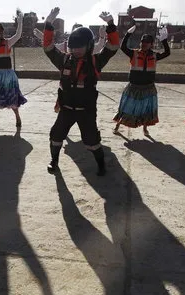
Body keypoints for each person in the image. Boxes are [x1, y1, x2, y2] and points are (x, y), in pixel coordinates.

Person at [42, 7, 120, 176]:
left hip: (86, 111)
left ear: (89, 46)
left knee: (92, 141)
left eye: (80, 47)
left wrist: (111, 25)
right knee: (56, 136)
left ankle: (101, 165)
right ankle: (54, 161)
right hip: (66, 109)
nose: (75, 50)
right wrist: (49, 23)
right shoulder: (64, 60)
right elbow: (48, 47)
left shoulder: (95, 62)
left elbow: (113, 46)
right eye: (73, 46)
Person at [113, 25, 170, 136]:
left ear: (151, 44)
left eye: (147, 43)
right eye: (142, 42)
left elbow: (167, 52)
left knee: (147, 109)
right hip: (133, 87)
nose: (144, 44)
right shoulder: (134, 53)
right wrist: (128, 34)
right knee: (126, 107)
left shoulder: (155, 55)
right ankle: (118, 125)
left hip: (148, 87)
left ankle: (145, 128)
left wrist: (164, 40)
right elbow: (123, 47)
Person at [34, 25, 106, 113]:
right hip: (68, 83)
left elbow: (99, 46)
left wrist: (102, 36)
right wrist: (43, 36)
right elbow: (52, 47)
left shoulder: (87, 48)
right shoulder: (66, 46)